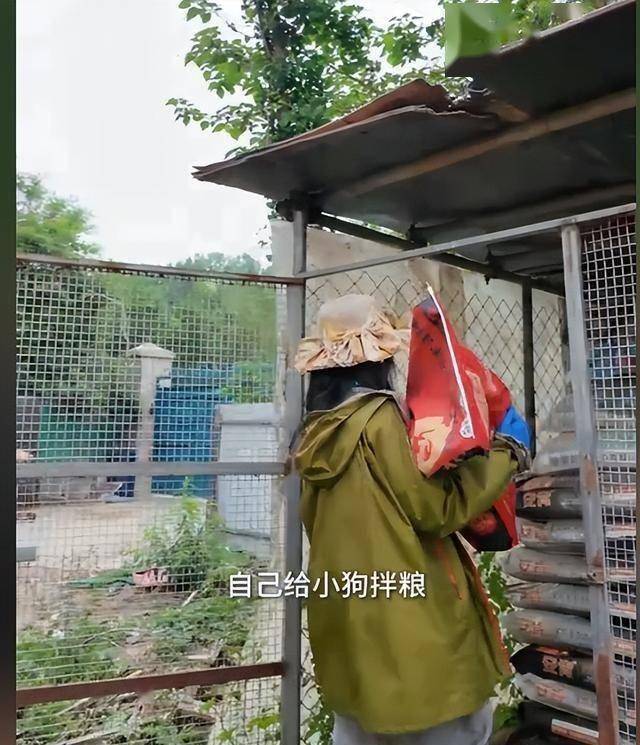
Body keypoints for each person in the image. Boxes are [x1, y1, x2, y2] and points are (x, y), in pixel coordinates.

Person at [293, 294, 528, 745]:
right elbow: (434, 509)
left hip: (348, 620)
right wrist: (506, 454)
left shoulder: (312, 435)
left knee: (362, 726)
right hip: (413, 621)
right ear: (380, 358)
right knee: (453, 725)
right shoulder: (380, 420)